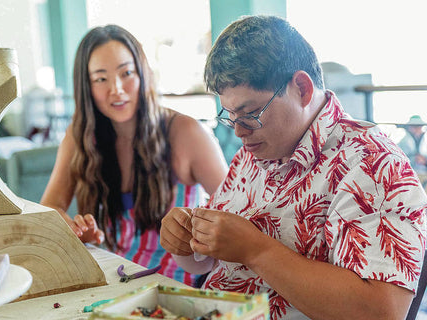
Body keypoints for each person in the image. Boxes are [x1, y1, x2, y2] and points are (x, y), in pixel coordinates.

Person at [160, 15, 427, 319]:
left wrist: (256, 250)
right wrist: (183, 243)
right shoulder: (256, 151)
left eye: (250, 112)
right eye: (230, 115)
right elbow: (207, 262)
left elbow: (382, 311)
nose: (239, 131)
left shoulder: (373, 163)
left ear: (302, 88)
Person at [40, 25, 228, 287]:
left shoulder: (186, 132)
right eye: (101, 79)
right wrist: (76, 230)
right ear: (87, 87)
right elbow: (47, 211)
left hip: (180, 288)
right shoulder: (80, 137)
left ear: (143, 74)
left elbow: (237, 212)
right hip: (114, 280)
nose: (116, 89)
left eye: (126, 73)